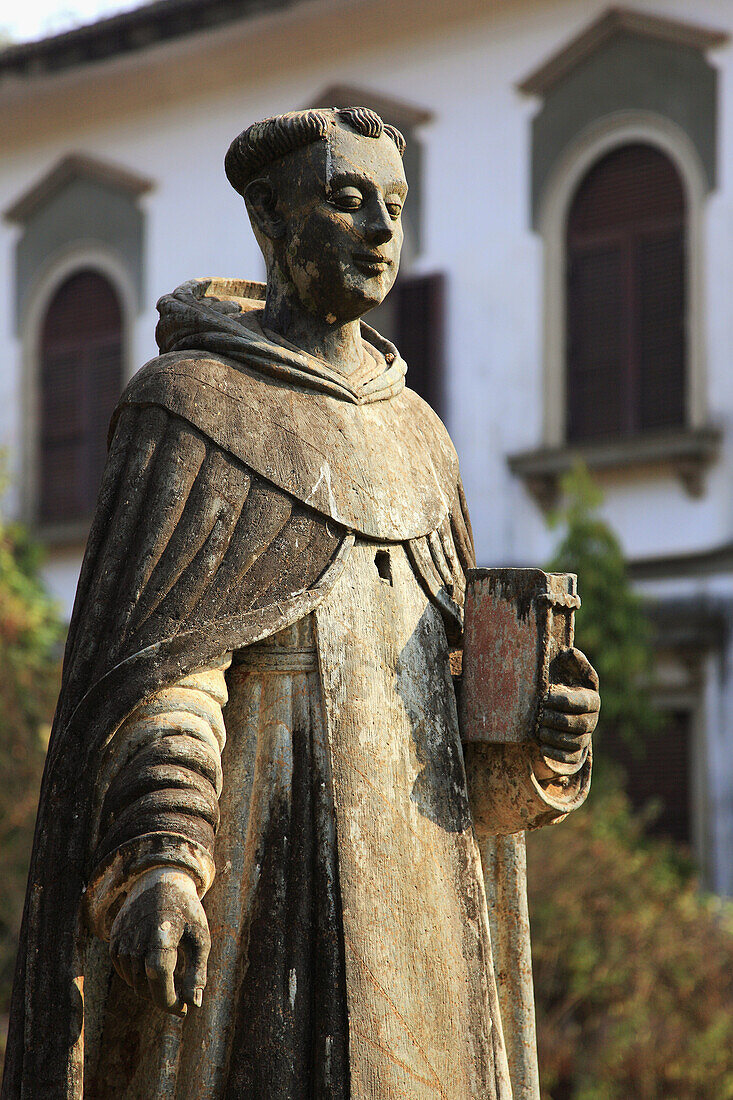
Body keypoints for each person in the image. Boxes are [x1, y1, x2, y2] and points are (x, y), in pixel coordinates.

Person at [3, 107, 599, 1100]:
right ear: (269, 221)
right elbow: (163, 679)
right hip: (261, 883)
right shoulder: (189, 408)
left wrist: (539, 739)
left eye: (395, 208)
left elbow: (463, 744)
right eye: (346, 198)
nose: (378, 229)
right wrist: (163, 860)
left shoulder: (422, 437)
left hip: (423, 902)